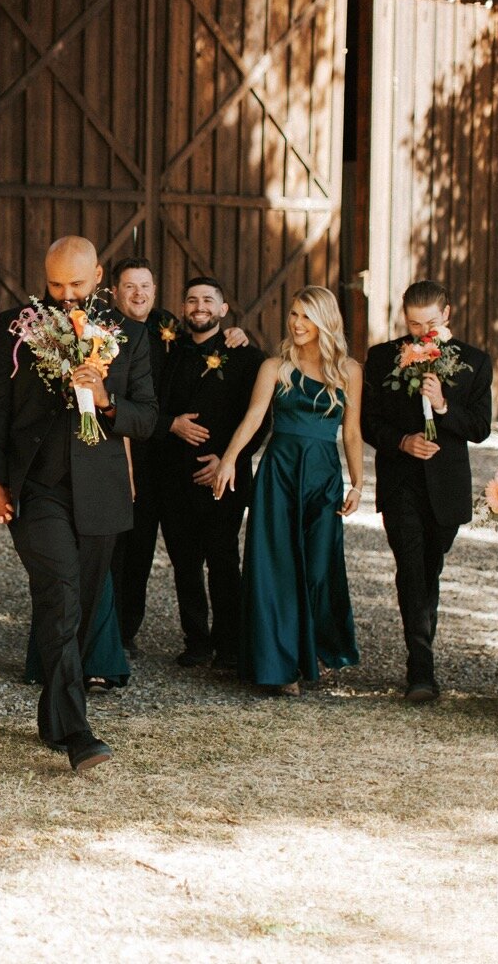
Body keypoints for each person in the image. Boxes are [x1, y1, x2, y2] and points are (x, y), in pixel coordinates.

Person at [0, 236, 156, 772]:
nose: (66, 295)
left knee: (77, 611)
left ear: (99, 275)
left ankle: (53, 716)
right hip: (38, 489)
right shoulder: (17, 326)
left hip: (101, 492)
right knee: (59, 595)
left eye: (76, 284)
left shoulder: (130, 335)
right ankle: (77, 733)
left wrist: (106, 400)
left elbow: (146, 417)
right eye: (55, 285)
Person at [212, 285, 363, 695]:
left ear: (325, 322)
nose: (297, 323)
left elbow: (351, 433)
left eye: (306, 316)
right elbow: (253, 417)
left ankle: (310, 649)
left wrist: (358, 482)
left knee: (317, 566)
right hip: (279, 472)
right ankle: (280, 667)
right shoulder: (275, 367)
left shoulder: (348, 370)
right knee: (275, 565)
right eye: (294, 314)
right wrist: (229, 459)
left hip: (323, 476)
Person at [107, 259, 249, 659]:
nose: (138, 294)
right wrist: (170, 423)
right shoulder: (101, 333)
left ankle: (213, 641)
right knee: (126, 545)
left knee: (150, 549)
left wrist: (235, 334)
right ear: (114, 291)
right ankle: (117, 631)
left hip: (164, 461)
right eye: (130, 287)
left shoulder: (165, 327)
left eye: (146, 286)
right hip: (122, 447)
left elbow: (203, 345)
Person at [362, 280, 492, 702]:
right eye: (413, 324)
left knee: (429, 570)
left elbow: (479, 428)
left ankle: (422, 654)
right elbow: (368, 422)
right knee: (411, 569)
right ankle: (421, 670)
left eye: (430, 323)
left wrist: (442, 407)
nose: (421, 333)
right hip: (401, 481)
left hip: (446, 487)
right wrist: (402, 441)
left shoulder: (474, 362)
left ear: (447, 314)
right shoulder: (383, 358)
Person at [157, 276, 266, 670]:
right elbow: (150, 403)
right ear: (183, 309)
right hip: (173, 475)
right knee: (184, 562)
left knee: (223, 559)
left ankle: (229, 645)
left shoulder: (248, 357)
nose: (198, 306)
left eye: (208, 300)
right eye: (191, 300)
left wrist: (228, 459)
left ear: (223, 310)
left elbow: (261, 420)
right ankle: (196, 641)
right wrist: (172, 423)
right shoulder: (169, 352)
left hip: (226, 476)